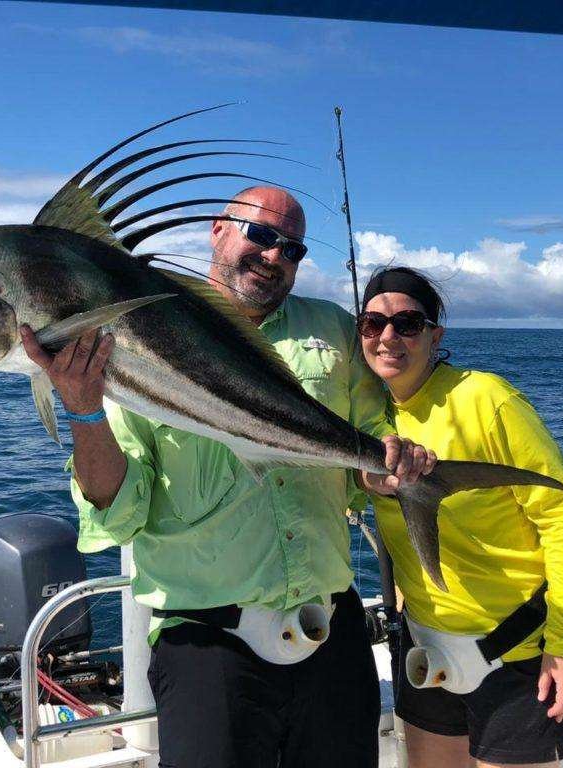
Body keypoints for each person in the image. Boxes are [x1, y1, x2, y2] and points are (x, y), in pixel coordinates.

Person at [21, 188, 433, 768]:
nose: (273, 256)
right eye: (260, 236)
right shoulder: (136, 331)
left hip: (331, 627)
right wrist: (85, 409)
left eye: (292, 248)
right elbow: (120, 507)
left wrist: (386, 472)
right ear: (218, 228)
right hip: (208, 641)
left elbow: (364, 443)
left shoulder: (334, 327)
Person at [358, 266, 563, 768]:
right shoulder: (368, 418)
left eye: (408, 323)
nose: (388, 337)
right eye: (372, 324)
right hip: (425, 648)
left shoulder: (487, 397)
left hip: (516, 655)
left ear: (435, 334)